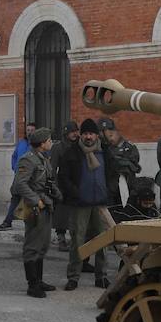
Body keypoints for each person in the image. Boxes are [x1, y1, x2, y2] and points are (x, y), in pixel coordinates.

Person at [54, 118, 116, 290]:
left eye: (91, 133)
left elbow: (113, 174)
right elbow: (64, 177)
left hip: (100, 204)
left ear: (97, 135)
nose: (88, 137)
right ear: (81, 135)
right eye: (86, 133)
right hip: (79, 204)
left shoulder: (105, 152)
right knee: (77, 241)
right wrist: (76, 193)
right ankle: (73, 277)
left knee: (102, 242)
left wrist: (109, 191)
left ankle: (101, 276)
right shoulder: (72, 153)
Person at [12, 127, 59, 298]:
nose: (51, 142)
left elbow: (48, 181)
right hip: (34, 207)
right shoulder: (28, 160)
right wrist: (36, 200)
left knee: (43, 244)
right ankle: (32, 285)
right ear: (41, 143)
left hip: (46, 204)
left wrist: (57, 195)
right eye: (49, 140)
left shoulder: (44, 159)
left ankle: (38, 280)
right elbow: (20, 184)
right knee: (32, 245)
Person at [0, 123, 35, 232]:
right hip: (19, 177)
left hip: (31, 179)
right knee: (15, 198)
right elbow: (14, 157)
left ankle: (32, 225)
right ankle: (8, 222)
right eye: (28, 130)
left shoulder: (38, 145)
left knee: (30, 201)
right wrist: (14, 168)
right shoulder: (21, 143)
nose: (30, 132)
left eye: (32, 130)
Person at [98, 117, 141, 208]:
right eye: (103, 131)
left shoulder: (128, 147)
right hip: (107, 187)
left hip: (126, 185)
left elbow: (133, 165)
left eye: (110, 130)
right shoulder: (100, 149)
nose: (106, 133)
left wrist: (119, 162)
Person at [49, 120, 79, 248]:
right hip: (62, 184)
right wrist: (54, 186)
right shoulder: (58, 147)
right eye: (72, 132)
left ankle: (75, 238)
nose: (74, 134)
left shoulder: (79, 146)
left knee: (75, 213)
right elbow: (53, 168)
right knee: (61, 213)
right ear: (66, 133)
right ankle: (61, 237)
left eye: (76, 131)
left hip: (75, 183)